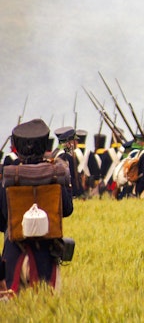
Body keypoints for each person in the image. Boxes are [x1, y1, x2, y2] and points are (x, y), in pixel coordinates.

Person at [0, 119, 74, 294]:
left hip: (13, 255)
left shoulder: (7, 178)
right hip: (46, 257)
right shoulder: (55, 175)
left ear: (17, 148)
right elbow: (67, 209)